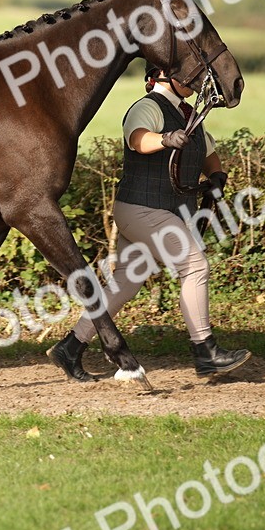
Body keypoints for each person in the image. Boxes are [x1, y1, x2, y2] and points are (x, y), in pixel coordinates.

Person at [47, 64, 251, 381]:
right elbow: (138, 139)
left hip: (160, 210)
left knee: (126, 282)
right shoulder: (148, 107)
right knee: (195, 265)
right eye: (185, 76)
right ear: (161, 78)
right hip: (142, 209)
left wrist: (215, 175)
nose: (193, 82)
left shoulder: (189, 113)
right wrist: (166, 139)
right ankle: (206, 351)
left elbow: (206, 150)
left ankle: (71, 346)